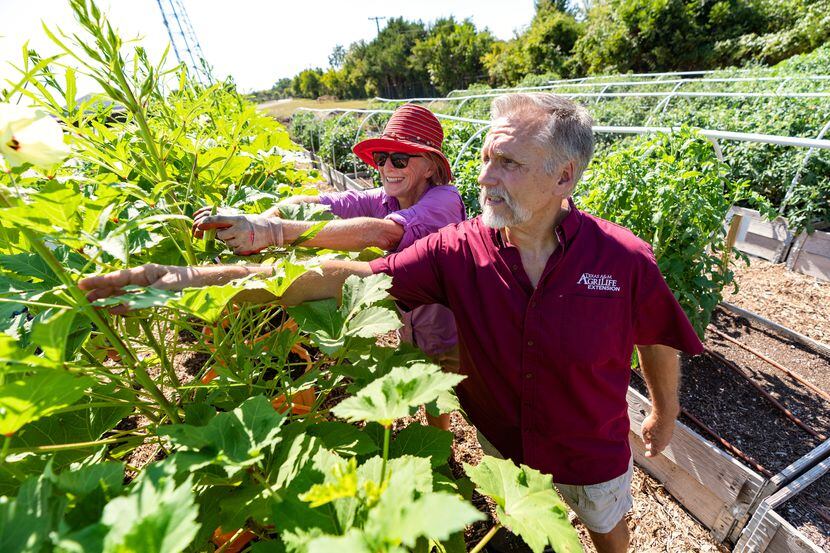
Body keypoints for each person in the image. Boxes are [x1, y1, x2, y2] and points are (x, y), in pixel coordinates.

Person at [80, 93, 703, 553]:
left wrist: (664, 409)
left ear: (564, 176)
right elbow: (346, 277)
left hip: (588, 445)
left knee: (606, 530)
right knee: (524, 524)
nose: (485, 176)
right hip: (501, 439)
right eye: (487, 157)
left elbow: (652, 333)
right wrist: (187, 282)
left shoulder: (622, 259)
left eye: (509, 163)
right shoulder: (459, 250)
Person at [191, 104, 466, 429]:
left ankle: (442, 447)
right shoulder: (386, 197)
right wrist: (267, 216)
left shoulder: (444, 200)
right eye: (382, 159)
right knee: (416, 366)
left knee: (439, 387)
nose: (387, 167)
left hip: (450, 325)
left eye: (400, 159)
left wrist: (275, 233)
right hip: (411, 320)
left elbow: (380, 232)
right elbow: (324, 203)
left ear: (431, 168)